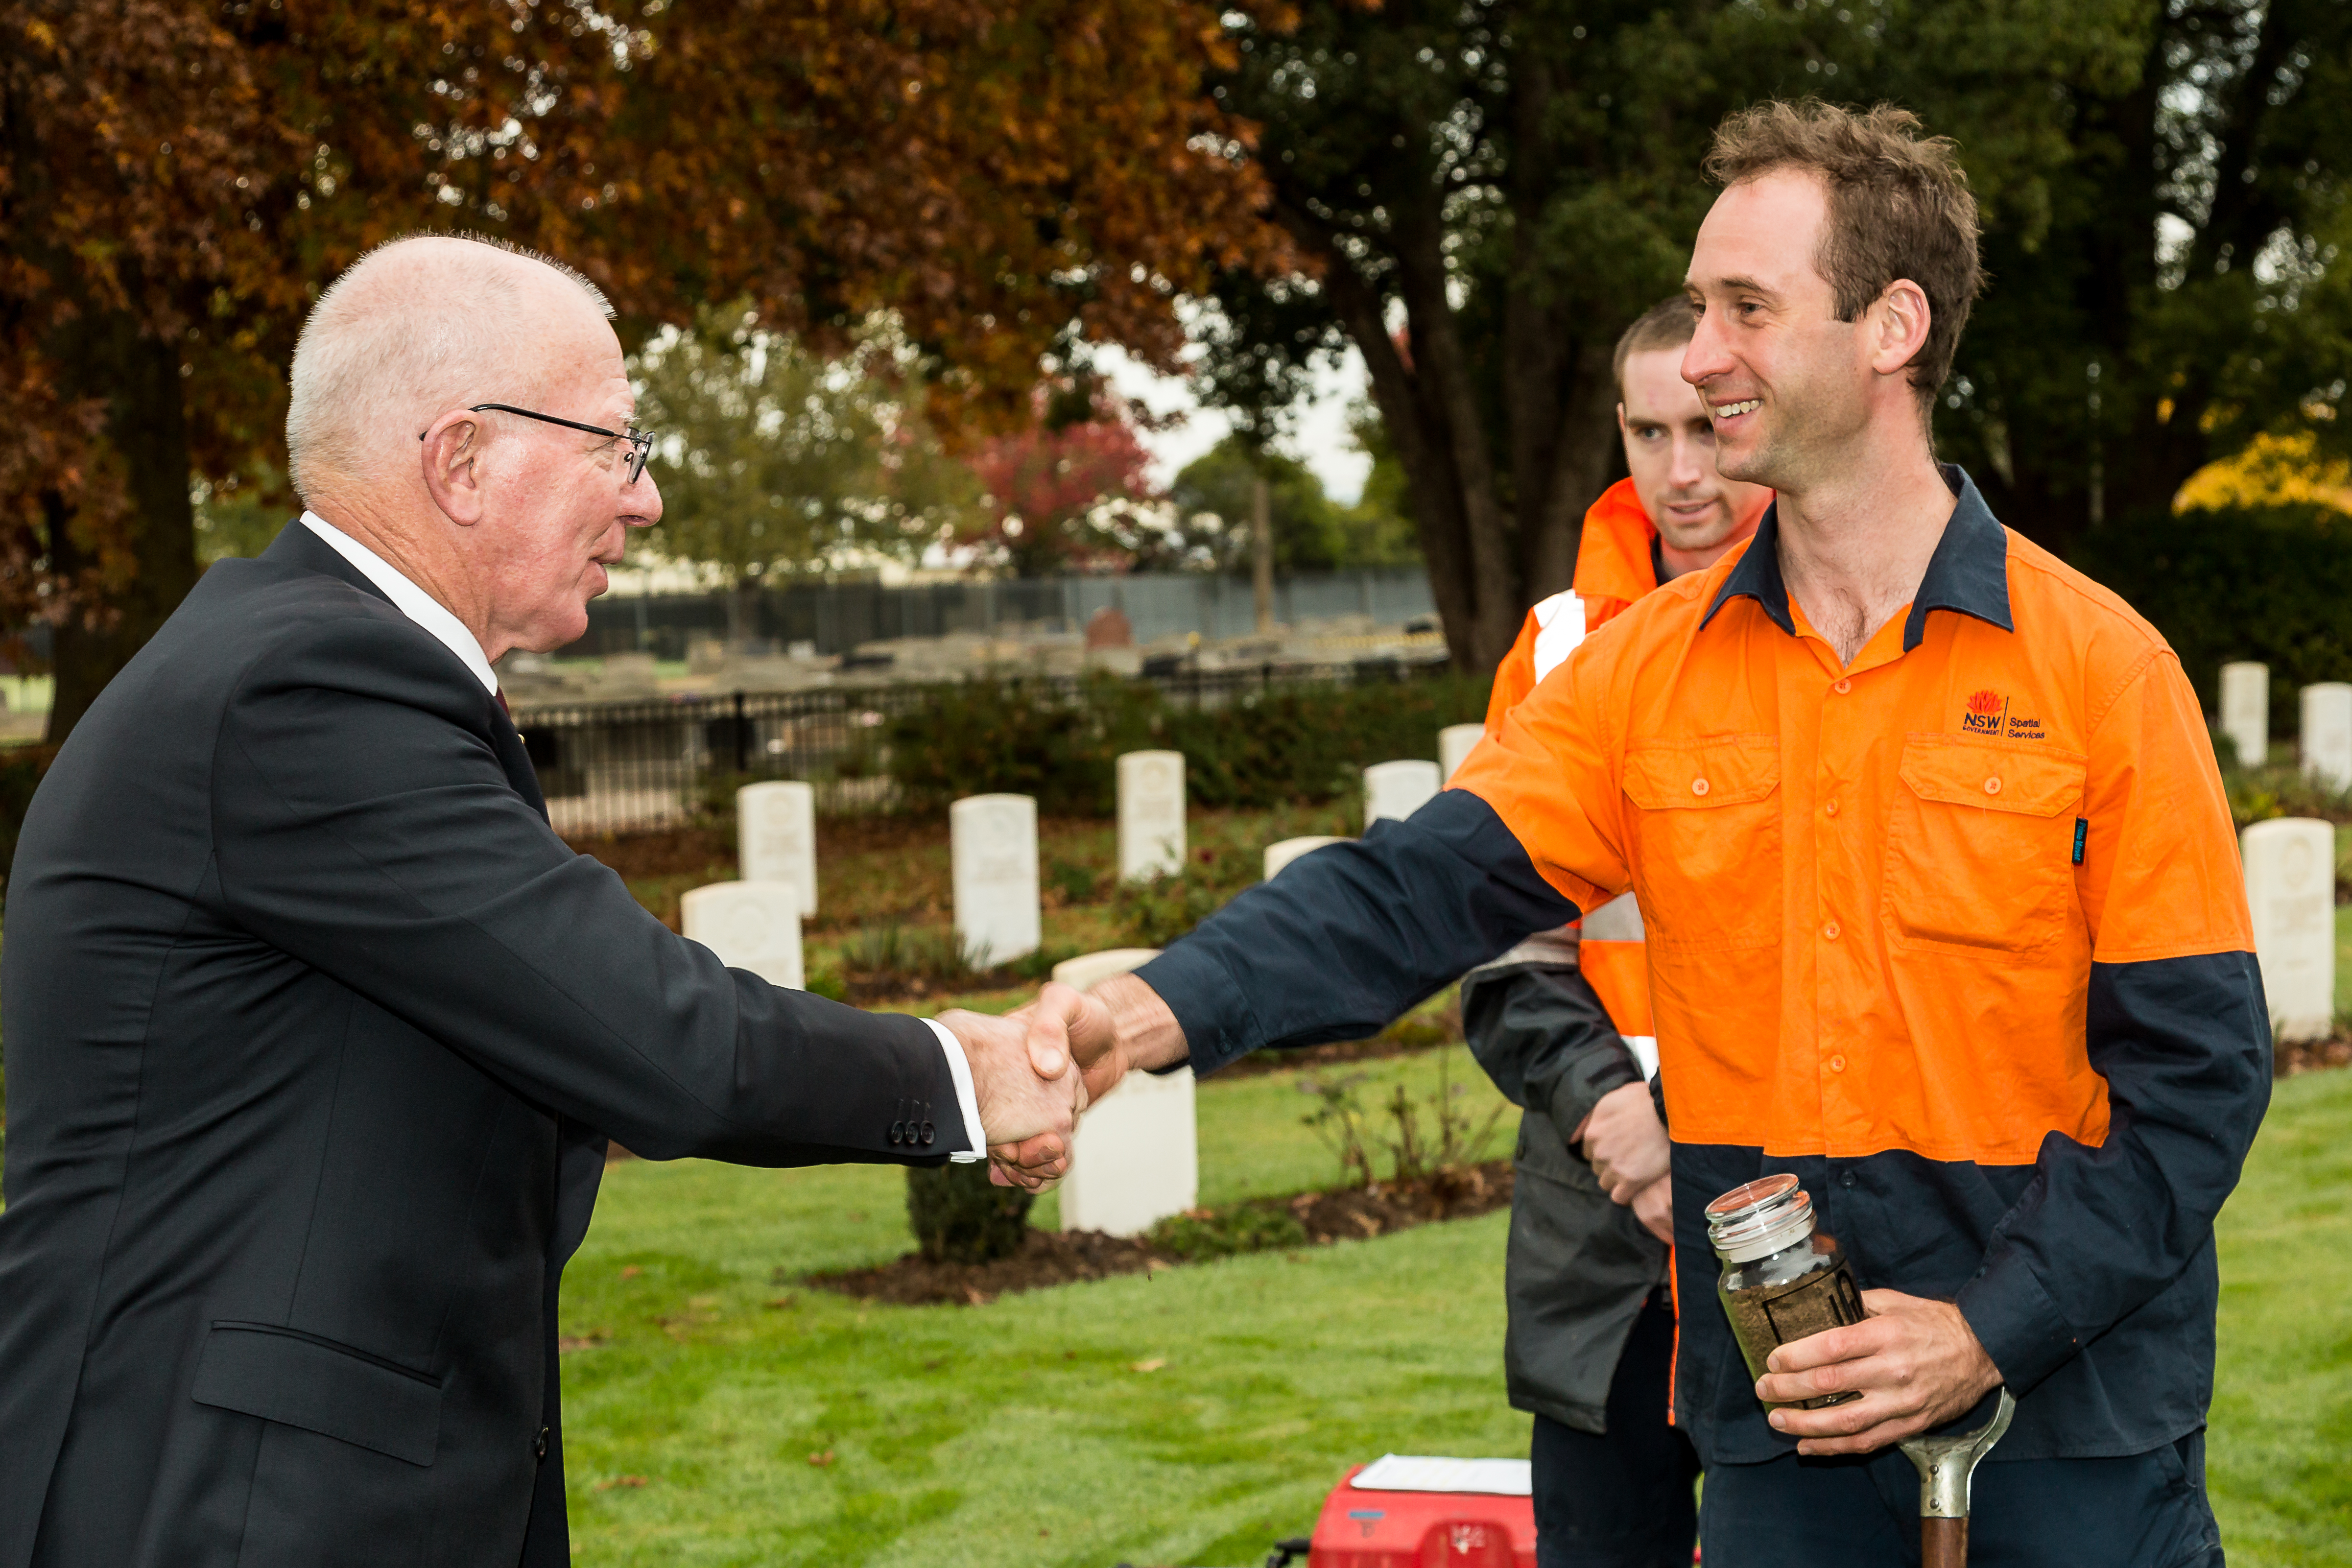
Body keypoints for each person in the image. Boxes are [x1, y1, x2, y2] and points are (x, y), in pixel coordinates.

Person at [995, 100, 2268, 1567]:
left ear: (1890, 326)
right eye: (1701, 304)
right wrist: (1142, 1012)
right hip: (1779, 1423)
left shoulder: (2103, 671)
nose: (1702, 350)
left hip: (2071, 1423)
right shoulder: (1639, 674)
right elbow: (1415, 888)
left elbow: (2197, 1073)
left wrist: (1988, 1326)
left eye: (1746, 307)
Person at [0, 235, 1083, 1568]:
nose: (648, 499)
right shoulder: (306, 689)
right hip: (232, 1507)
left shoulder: (302, 664)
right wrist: (965, 1076)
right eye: (616, 447)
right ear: (460, 460)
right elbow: (655, 1035)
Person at [1461, 295, 1771, 1568]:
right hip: (1601, 1235)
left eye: (1708, 426)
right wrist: (1616, 1121)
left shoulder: (1847, 621)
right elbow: (1500, 945)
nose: (1679, 473)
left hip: (1792, 1209)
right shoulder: (1557, 647)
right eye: (1648, 432)